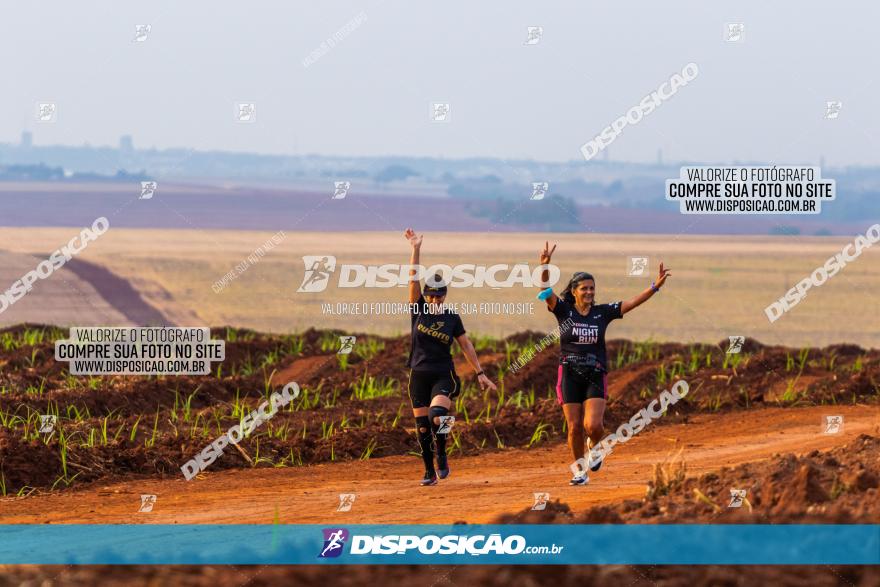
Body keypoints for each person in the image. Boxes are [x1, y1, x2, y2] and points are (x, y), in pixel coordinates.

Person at [537, 241, 671, 485]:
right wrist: (544, 266)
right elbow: (545, 291)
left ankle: (595, 446)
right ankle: (579, 470)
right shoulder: (564, 310)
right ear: (574, 291)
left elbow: (632, 303)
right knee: (574, 427)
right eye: (584, 289)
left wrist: (655, 287)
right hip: (569, 374)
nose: (589, 292)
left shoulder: (603, 313)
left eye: (592, 288)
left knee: (594, 425)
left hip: (595, 373)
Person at [404, 228, 497, 486]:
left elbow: (466, 346)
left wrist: (480, 373)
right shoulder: (418, 310)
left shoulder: (451, 318)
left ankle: (442, 451)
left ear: (445, 296)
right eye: (430, 294)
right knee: (422, 427)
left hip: (443, 375)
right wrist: (415, 248)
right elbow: (412, 280)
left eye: (438, 295)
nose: (434, 299)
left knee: (437, 415)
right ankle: (428, 471)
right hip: (418, 375)